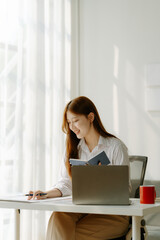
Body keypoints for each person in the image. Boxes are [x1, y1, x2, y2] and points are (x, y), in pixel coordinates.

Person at [28, 96, 130, 240]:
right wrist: (46, 193)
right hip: (82, 210)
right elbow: (66, 183)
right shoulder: (73, 148)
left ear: (90, 117)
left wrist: (103, 179)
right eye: (69, 122)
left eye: (75, 120)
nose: (72, 127)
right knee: (58, 217)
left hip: (113, 215)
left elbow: (125, 188)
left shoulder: (115, 147)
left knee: (63, 233)